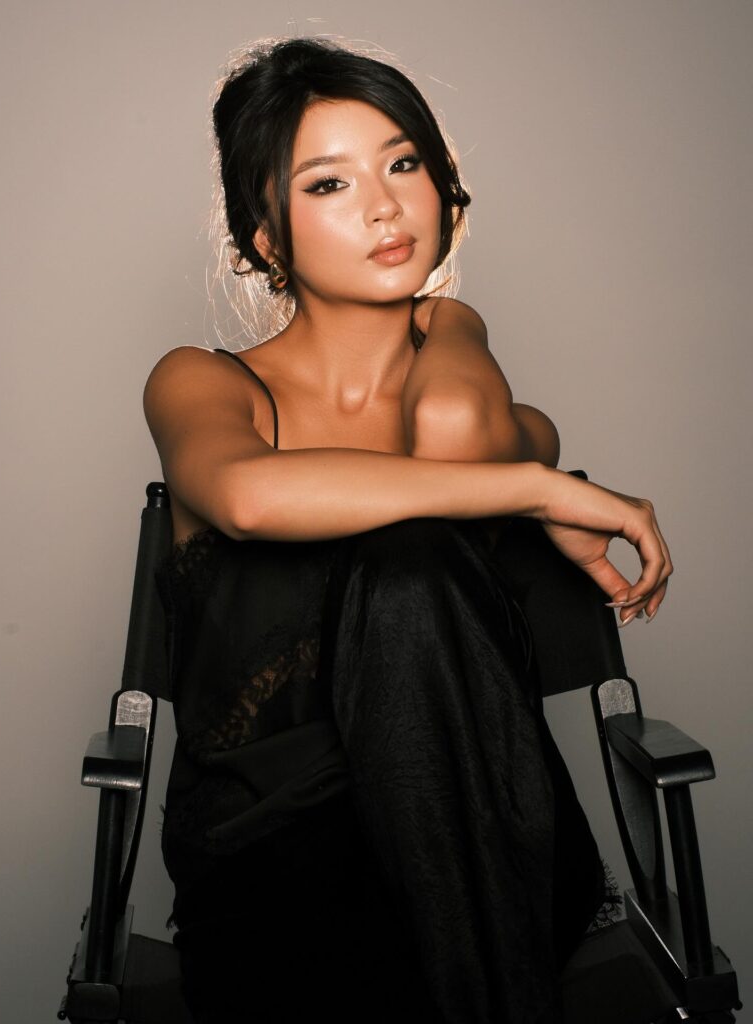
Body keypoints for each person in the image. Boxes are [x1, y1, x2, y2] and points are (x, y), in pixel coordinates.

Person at [144, 37, 672, 1024]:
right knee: (410, 566)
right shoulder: (206, 384)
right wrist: (540, 489)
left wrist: (457, 330)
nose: (386, 207)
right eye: (329, 183)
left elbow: (454, 437)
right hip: (278, 871)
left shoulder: (475, 389)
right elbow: (248, 497)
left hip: (489, 833)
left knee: (412, 567)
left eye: (404, 163)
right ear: (267, 239)